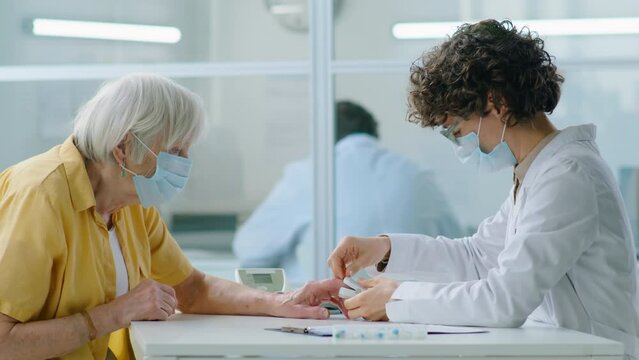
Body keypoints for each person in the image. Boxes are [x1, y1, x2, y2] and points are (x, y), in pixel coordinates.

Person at [327, 20, 639, 359]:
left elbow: (503, 301)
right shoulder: (540, 171)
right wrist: (384, 249)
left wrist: (398, 299)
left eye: (456, 130)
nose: (459, 144)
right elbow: (477, 257)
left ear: (498, 103)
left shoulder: (567, 175)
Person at [0, 74, 343, 360]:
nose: (184, 163)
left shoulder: (131, 201)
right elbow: (4, 340)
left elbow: (191, 289)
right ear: (123, 148)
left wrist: (279, 302)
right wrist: (117, 312)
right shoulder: (40, 195)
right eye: (176, 151)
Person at [233, 100, 462, 282]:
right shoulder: (416, 173)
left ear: (322, 137)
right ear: (373, 133)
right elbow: (456, 246)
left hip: (332, 311)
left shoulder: (310, 173)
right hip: (413, 310)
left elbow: (250, 249)